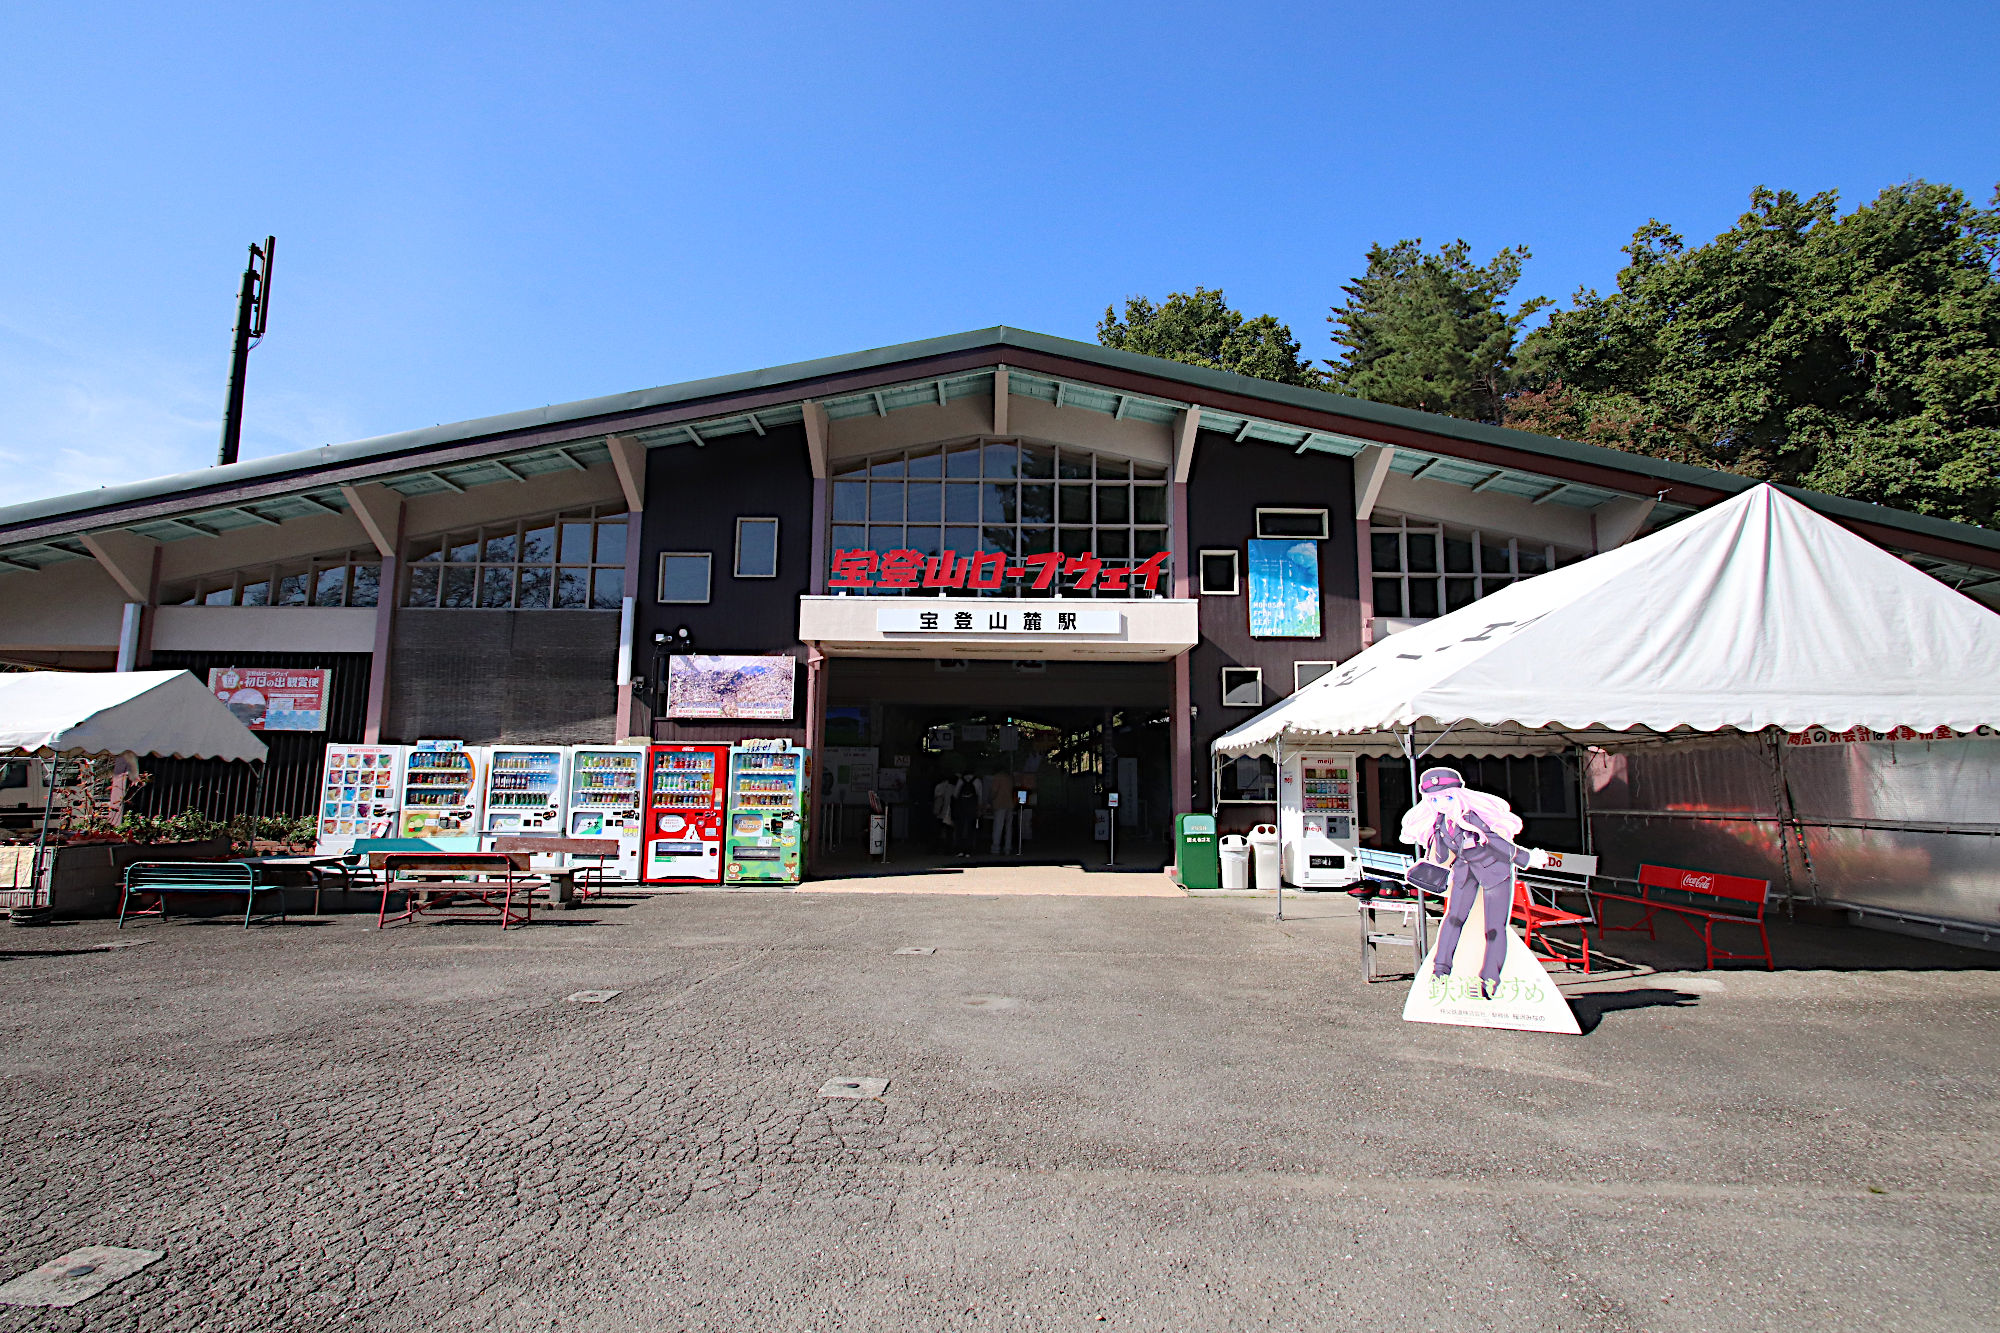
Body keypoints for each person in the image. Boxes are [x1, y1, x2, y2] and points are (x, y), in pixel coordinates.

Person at [1400, 767, 1548, 998]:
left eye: (1447, 797)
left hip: (1495, 871)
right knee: (1453, 918)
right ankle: (1440, 971)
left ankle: (1490, 979)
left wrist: (1526, 858)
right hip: (1464, 870)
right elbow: (1441, 854)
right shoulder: (1440, 821)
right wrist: (1432, 856)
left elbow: (1497, 842)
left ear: (1458, 795)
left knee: (1494, 927)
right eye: (1435, 799)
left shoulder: (1470, 817)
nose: (1441, 803)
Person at [987, 769, 1016, 855]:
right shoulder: (1010, 778)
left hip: (999, 804)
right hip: (1010, 804)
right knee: (1008, 828)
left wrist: (990, 800)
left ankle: (995, 848)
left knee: (998, 827)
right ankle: (1007, 848)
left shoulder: (997, 777)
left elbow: (994, 791)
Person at [950, 771, 980, 855]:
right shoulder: (977, 780)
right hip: (972, 808)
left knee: (959, 828)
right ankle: (969, 850)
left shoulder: (961, 780)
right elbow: (979, 795)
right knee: (971, 828)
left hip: (961, 807)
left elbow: (955, 794)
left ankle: (959, 849)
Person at [931, 772, 957, 853]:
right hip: (948, 813)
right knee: (949, 833)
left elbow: (935, 797)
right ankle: (948, 850)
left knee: (936, 832)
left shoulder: (939, 786)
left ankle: (933, 848)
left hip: (938, 812)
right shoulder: (953, 787)